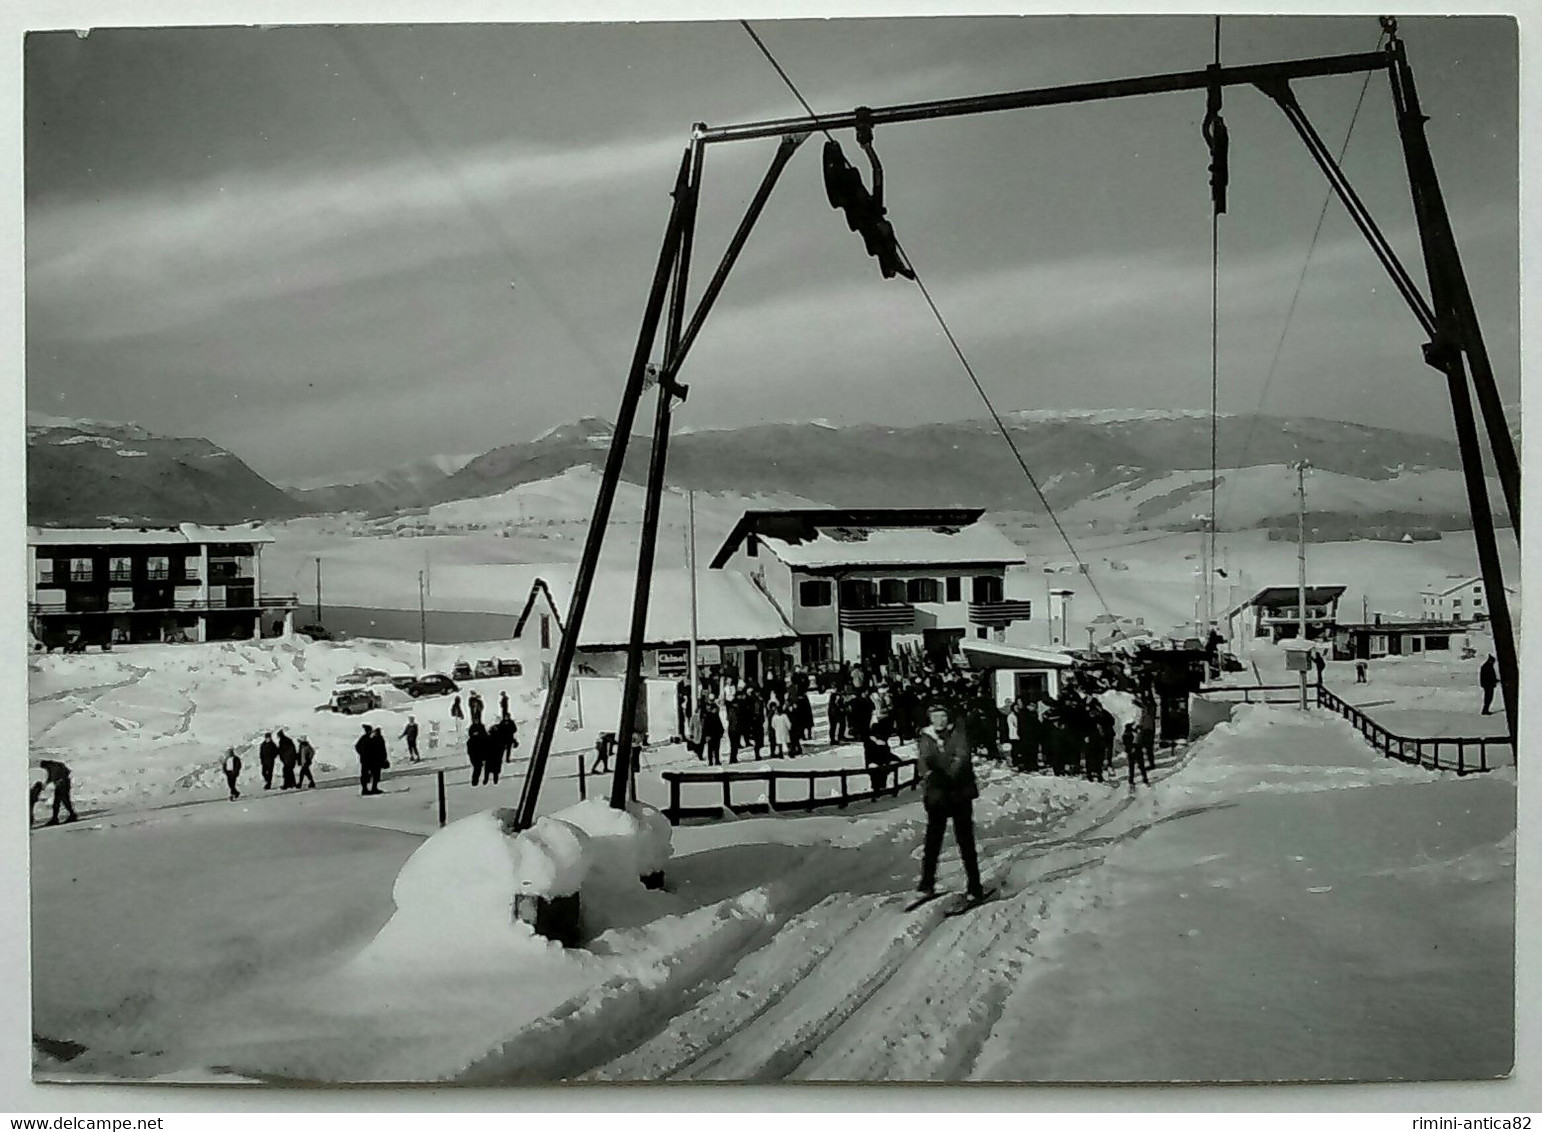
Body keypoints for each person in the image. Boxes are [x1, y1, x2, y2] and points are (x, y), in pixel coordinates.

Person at [915, 702, 984, 901]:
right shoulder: (926, 737)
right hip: (937, 797)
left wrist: (943, 772)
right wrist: (933, 773)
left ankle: (974, 884)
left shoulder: (958, 735)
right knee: (933, 841)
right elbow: (924, 763)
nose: (940, 720)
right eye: (935, 716)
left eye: (943, 716)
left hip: (959, 794)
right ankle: (927, 882)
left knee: (965, 840)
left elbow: (961, 759)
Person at [30, 759, 78, 826]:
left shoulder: (53, 767)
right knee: (62, 801)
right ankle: (68, 815)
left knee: (60, 802)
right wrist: (46, 784)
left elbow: (53, 776)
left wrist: (46, 784)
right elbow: (52, 777)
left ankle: (59, 818)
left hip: (62, 785)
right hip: (62, 784)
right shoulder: (56, 766)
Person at [1122, 722, 1148, 787]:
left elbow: (1125, 745)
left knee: (1132, 767)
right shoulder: (1134, 733)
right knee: (1141, 766)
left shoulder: (1125, 735)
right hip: (1137, 751)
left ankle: (1131, 780)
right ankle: (1144, 778)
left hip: (1131, 752)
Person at [701, 697, 724, 767]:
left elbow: (720, 725)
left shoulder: (716, 716)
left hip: (716, 734)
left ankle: (716, 760)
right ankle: (711, 761)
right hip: (711, 735)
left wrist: (721, 732)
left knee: (716, 749)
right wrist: (707, 735)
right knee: (710, 749)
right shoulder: (708, 717)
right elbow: (705, 727)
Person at [468, 721, 490, 785]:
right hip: (477, 755)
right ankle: (476, 780)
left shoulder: (480, 729)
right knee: (478, 768)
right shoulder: (471, 740)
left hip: (481, 753)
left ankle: (484, 779)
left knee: (481, 768)